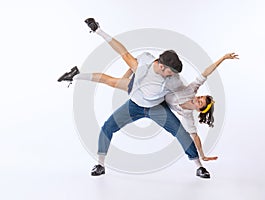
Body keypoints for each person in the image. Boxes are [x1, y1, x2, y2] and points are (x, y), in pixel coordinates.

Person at [58, 18, 233, 179]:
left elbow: (193, 128)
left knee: (181, 133)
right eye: (171, 72)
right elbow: (123, 52)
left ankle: (198, 167)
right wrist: (99, 31)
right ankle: (100, 165)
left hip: (157, 108)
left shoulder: (175, 81)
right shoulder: (143, 65)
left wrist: (201, 155)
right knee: (107, 123)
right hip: (135, 99)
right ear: (162, 66)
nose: (173, 76)